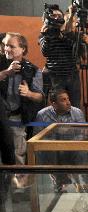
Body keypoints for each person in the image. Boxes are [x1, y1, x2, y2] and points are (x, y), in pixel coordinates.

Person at [0, 32, 44, 165]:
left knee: (18, 154)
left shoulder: (33, 70)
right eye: (5, 45)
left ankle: (16, 185)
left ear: (23, 49)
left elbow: (40, 97)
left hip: (16, 119)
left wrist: (28, 93)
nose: (6, 49)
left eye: (11, 46)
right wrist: (7, 72)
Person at [39, 4, 80, 107]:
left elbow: (73, 48)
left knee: (75, 104)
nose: (57, 18)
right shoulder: (45, 34)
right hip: (55, 76)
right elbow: (45, 53)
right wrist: (47, 36)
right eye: (54, 16)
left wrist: (62, 34)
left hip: (72, 74)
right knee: (59, 106)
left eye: (59, 16)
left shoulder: (69, 32)